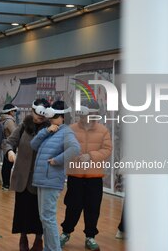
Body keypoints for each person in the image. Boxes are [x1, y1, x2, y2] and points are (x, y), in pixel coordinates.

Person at [60, 100, 112, 251]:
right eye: (88, 113)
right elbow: (64, 147)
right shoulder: (71, 129)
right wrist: (75, 156)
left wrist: (91, 156)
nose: (91, 117)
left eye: (94, 114)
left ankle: (90, 237)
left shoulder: (103, 130)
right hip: (75, 176)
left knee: (93, 208)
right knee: (72, 206)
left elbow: (107, 149)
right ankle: (66, 233)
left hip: (94, 177)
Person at [30, 100, 80, 251]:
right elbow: (33, 144)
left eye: (55, 116)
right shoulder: (51, 130)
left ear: (63, 117)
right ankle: (49, 248)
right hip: (42, 180)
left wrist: (57, 161)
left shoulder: (66, 132)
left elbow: (75, 149)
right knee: (44, 218)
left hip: (51, 180)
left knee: (48, 218)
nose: (51, 119)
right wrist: (46, 130)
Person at [2, 99, 50, 251]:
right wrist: (9, 151)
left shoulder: (50, 129)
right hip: (23, 177)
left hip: (41, 178)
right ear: (32, 111)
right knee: (22, 210)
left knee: (39, 212)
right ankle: (23, 238)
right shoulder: (23, 126)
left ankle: (38, 239)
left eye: (43, 114)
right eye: (37, 113)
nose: (39, 117)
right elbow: (9, 142)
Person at [0, 103, 18, 190]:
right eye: (14, 111)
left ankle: (5, 184)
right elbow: (15, 133)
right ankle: (6, 184)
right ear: (10, 112)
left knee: (6, 165)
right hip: (10, 145)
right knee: (8, 165)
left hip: (6, 144)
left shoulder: (4, 119)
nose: (15, 113)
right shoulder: (10, 121)